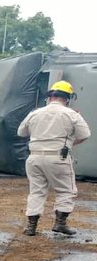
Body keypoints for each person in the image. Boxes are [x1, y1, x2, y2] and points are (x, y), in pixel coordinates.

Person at [17, 80, 91, 236]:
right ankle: (60, 223)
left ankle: (31, 226)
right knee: (66, 190)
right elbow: (85, 135)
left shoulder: (35, 113)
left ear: (50, 96)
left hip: (34, 158)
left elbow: (21, 132)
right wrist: (69, 143)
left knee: (36, 191)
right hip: (58, 158)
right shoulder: (71, 114)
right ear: (68, 98)